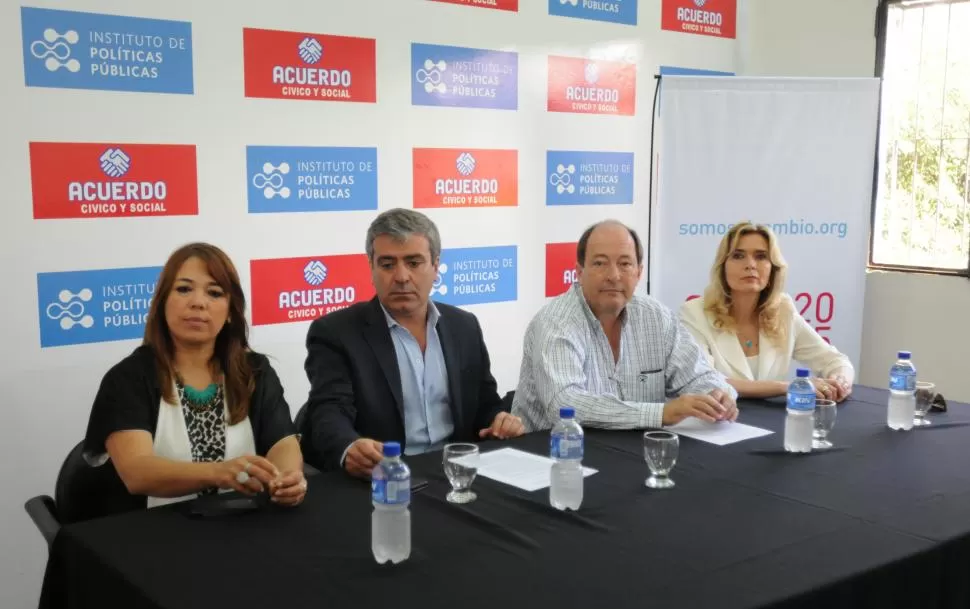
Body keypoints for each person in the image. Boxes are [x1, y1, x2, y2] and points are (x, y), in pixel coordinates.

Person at [84, 243, 306, 513]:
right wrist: (219, 472)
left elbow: (282, 440)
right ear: (162, 302)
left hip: (243, 523)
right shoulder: (128, 378)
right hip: (154, 533)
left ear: (229, 312)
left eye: (214, 293)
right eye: (184, 289)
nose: (198, 302)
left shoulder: (255, 370)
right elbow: (136, 471)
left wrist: (286, 478)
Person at [300, 208, 524, 477]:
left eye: (414, 262)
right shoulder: (335, 332)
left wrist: (500, 420)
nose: (402, 276)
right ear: (371, 267)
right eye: (387, 264)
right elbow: (329, 411)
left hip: (457, 471)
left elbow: (484, 404)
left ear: (436, 265)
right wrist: (349, 447)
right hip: (386, 474)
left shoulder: (464, 326)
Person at [512, 220, 737, 432]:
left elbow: (700, 376)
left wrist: (719, 395)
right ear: (580, 272)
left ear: (639, 273)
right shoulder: (556, 322)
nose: (613, 275)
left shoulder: (656, 317)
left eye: (625, 264)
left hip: (632, 450)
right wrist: (661, 413)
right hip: (555, 455)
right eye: (600, 263)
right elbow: (565, 404)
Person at [679, 221, 854, 401]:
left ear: (773, 269)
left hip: (773, 423)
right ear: (723, 267)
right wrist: (785, 387)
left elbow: (835, 360)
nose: (750, 265)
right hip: (717, 420)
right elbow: (703, 381)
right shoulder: (694, 312)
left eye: (761, 256)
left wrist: (840, 381)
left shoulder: (783, 309)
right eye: (738, 256)